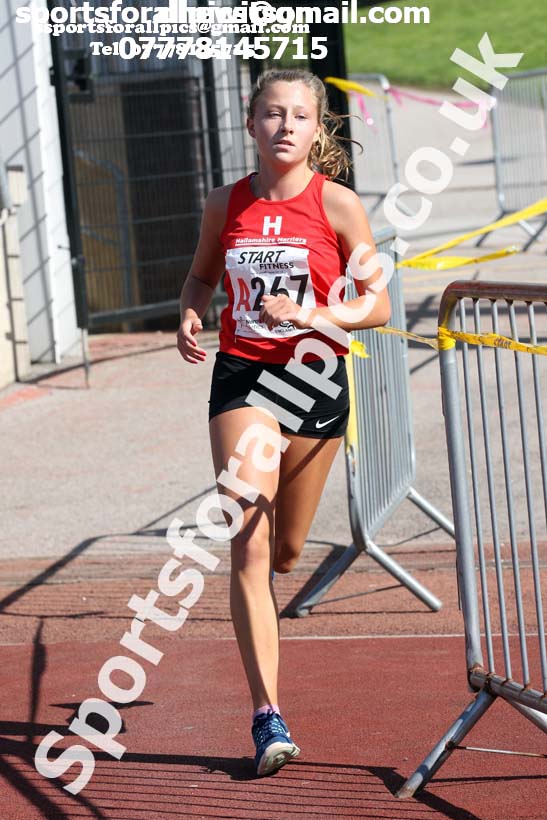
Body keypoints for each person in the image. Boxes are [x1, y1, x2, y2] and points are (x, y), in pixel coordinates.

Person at [177, 68, 390, 777]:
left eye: (299, 115)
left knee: (288, 549)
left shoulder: (337, 204)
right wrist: (188, 310)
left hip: (314, 378)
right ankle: (266, 715)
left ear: (316, 127)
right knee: (247, 540)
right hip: (243, 378)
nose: (286, 126)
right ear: (250, 123)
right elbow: (204, 274)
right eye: (272, 114)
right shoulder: (223, 203)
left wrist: (314, 315)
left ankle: (285, 566)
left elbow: (378, 304)